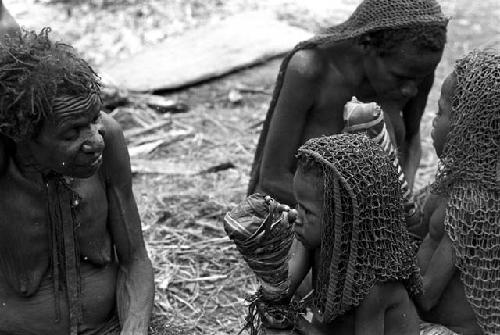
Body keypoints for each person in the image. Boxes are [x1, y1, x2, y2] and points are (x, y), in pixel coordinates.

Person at [0, 28, 154, 335]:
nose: (95, 141)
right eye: (72, 133)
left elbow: (134, 260)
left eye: (94, 118)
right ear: (21, 134)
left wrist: (134, 330)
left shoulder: (109, 139)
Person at [248, 0, 448, 206]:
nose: (411, 90)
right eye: (400, 77)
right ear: (367, 44)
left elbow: (411, 141)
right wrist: (352, 217)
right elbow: (273, 178)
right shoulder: (311, 69)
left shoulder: (413, 69)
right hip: (301, 214)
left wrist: (402, 207)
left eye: (420, 77)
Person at [230, 134, 423, 334]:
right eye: (298, 204)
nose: (296, 214)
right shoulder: (314, 244)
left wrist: (300, 325)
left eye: (307, 210)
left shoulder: (376, 287)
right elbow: (278, 295)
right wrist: (260, 248)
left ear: (343, 220)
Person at [416, 49, 500, 335]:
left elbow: (427, 295)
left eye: (440, 112)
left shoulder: (472, 201)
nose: (433, 121)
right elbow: (416, 225)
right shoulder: (451, 181)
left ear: (468, 128)